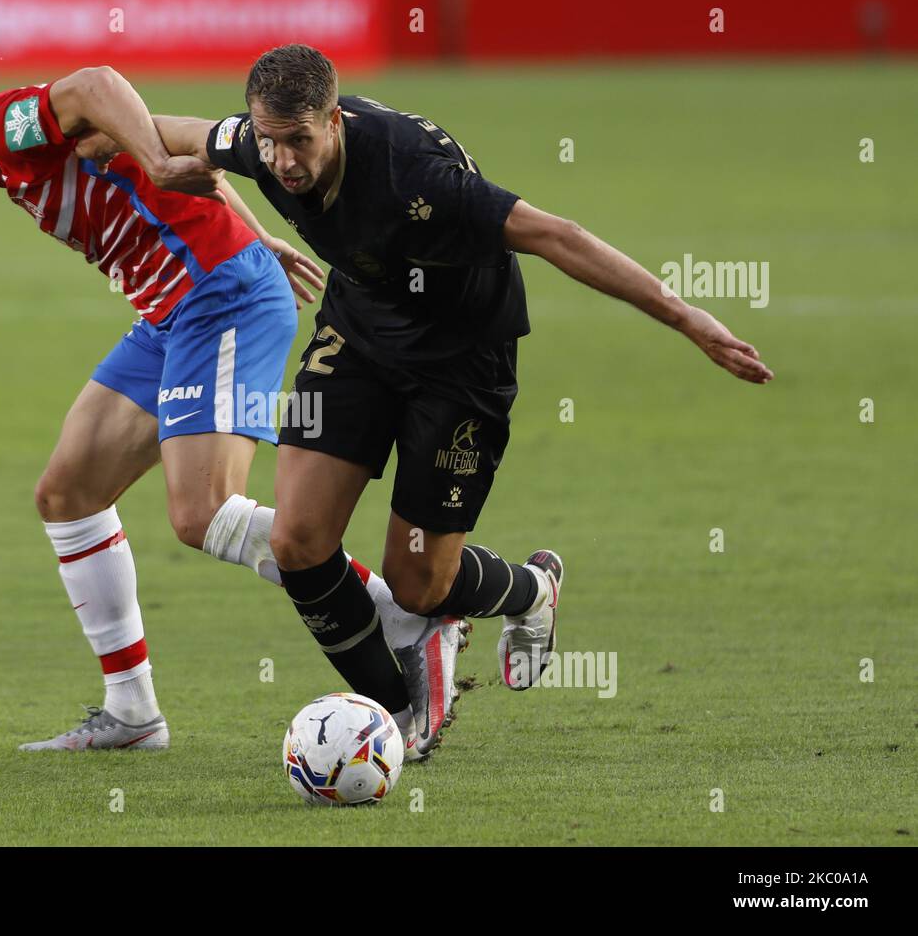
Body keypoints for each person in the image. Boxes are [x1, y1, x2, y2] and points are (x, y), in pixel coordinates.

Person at [85, 43, 774, 706]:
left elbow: (560, 237)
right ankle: (398, 707)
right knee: (297, 541)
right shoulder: (260, 143)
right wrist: (120, 141)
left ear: (335, 121)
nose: (282, 161)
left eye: (299, 140)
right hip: (358, 334)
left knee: (418, 583)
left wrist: (687, 319)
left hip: (461, 358)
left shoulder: (419, 180)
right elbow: (184, 130)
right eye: (268, 141)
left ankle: (532, 591)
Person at [0, 63, 466, 757]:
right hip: (171, 312)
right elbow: (156, 166)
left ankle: (410, 620)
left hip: (221, 298)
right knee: (68, 493)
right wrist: (249, 226)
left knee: (201, 512)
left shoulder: (6, 125)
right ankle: (132, 713)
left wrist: (159, 164)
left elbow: (94, 83)